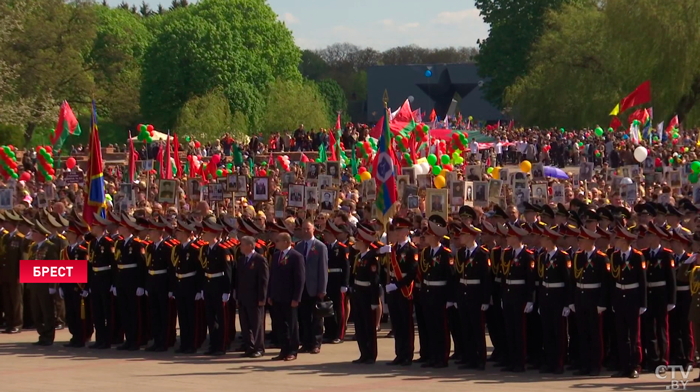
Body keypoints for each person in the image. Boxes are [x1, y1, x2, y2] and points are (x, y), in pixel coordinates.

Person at [570, 227, 609, 377]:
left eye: (582, 240)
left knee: (595, 334)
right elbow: (573, 280)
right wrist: (573, 300)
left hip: (594, 299)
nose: (579, 242)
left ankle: (595, 364)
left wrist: (602, 303)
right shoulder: (578, 257)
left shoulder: (601, 258)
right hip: (581, 297)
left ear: (590, 241)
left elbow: (605, 283)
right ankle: (584, 364)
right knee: (583, 333)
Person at [609, 226, 646, 379]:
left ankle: (635, 366)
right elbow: (612, 280)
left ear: (624, 240)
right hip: (620, 296)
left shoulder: (637, 256)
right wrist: (613, 300)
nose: (616, 241)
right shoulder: (615, 256)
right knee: (621, 335)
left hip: (633, 296)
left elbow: (642, 281)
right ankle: (624, 366)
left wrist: (643, 303)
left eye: (618, 238)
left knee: (634, 335)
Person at [418, 215, 455, 368]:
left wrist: (450, 298)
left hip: (440, 293)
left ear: (434, 235)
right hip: (428, 292)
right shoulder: (426, 253)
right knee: (430, 326)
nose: (424, 236)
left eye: (427, 234)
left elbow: (451, 277)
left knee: (441, 327)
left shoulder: (446, 253)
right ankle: (432, 356)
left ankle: (442, 357)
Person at [454, 223, 491, 370]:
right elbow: (458, 276)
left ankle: (480, 358)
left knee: (477, 328)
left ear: (470, 236)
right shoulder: (462, 253)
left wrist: (485, 299)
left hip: (476, 294)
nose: (460, 237)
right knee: (466, 328)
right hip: (464, 293)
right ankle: (469, 357)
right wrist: (457, 297)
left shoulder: (482, 254)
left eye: (463, 234)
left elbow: (486, 278)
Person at [500, 222, 536, 372]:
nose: (507, 238)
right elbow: (503, 276)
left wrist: (530, 300)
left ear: (516, 237)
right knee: (509, 329)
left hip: (520, 296)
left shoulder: (527, 256)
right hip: (508, 294)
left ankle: (520, 362)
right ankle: (512, 360)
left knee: (519, 330)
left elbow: (530, 280)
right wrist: (503, 296)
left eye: (509, 235)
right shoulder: (507, 254)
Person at [536, 225, 571, 374]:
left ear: (550, 239)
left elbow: (568, 281)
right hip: (546, 296)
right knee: (547, 331)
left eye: (543, 237)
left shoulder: (563, 257)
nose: (541, 240)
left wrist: (566, 303)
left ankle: (559, 362)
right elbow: (541, 279)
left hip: (558, 297)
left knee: (559, 332)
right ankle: (550, 361)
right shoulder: (543, 257)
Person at [641, 223, 676, 373]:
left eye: (650, 235)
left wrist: (671, 300)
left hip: (661, 294)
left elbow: (671, 279)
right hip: (649, 293)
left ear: (656, 237)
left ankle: (663, 360)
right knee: (650, 329)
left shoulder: (666, 254)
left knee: (662, 329)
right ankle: (653, 359)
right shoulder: (644, 253)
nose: (647, 238)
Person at [385, 218, 418, 366]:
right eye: (395, 230)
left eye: (399, 230)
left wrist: (397, 285)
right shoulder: (392, 248)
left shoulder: (412, 249)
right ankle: (399, 353)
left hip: (404, 289)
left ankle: (407, 354)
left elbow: (412, 272)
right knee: (396, 323)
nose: (397, 233)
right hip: (393, 288)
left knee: (406, 323)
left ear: (406, 231)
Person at [199, 215, 233, 356]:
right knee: (210, 318)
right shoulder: (206, 249)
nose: (203, 235)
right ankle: (213, 344)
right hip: (208, 285)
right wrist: (202, 288)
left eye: (205, 233)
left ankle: (221, 345)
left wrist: (227, 290)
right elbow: (203, 269)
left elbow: (228, 271)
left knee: (221, 318)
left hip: (219, 286)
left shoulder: (222, 249)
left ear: (213, 234)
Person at [268, 232, 305, 361]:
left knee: (292, 325)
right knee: (280, 324)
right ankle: (283, 349)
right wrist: (271, 294)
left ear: (286, 242)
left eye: (278, 240)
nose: (275, 243)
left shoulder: (296, 256)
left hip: (290, 297)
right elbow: (272, 277)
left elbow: (300, 279)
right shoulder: (277, 255)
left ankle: (292, 350)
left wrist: (297, 298)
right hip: (278, 296)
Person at [294, 220, 328, 354]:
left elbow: (323, 269)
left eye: (308, 229)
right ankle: (306, 342)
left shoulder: (320, 247)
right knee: (304, 317)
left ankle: (316, 343)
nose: (305, 231)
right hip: (302, 289)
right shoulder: (298, 247)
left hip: (315, 288)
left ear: (313, 229)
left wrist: (322, 289)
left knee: (317, 318)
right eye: (303, 229)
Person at [144, 217, 177, 352]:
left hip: (163, 282)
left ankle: (165, 341)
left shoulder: (167, 248)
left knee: (165, 314)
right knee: (154, 313)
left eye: (152, 232)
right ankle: (157, 340)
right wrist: (147, 285)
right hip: (152, 282)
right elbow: (148, 267)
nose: (149, 234)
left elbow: (171, 269)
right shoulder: (150, 247)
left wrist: (171, 288)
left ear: (159, 233)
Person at [351, 224, 381, 364]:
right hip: (358, 294)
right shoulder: (359, 257)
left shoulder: (371, 259)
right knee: (360, 325)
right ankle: (363, 353)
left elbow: (374, 281)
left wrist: (374, 301)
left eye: (357, 240)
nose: (355, 243)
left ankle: (371, 354)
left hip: (367, 295)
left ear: (363, 242)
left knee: (369, 326)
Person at [60, 217, 93, 347]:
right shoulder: (65, 251)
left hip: (79, 287)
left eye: (69, 233)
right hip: (68, 286)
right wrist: (61, 286)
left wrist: (86, 287)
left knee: (81, 314)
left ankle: (82, 336)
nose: (67, 235)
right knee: (71, 313)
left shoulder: (82, 251)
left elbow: (87, 270)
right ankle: (74, 335)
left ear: (75, 235)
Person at [173, 218, 202, 354]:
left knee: (192, 317)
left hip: (191, 285)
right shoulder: (178, 248)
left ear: (185, 234)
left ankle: (192, 343)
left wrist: (198, 289)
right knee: (182, 317)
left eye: (179, 232)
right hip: (180, 285)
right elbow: (175, 269)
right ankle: (184, 343)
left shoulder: (195, 249)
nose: (176, 235)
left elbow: (199, 270)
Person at [87, 213, 116, 349]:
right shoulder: (92, 243)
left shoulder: (108, 242)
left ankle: (108, 339)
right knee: (97, 310)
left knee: (106, 311)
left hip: (105, 278)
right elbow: (90, 263)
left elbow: (114, 264)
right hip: (95, 278)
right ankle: (99, 339)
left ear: (100, 227)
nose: (92, 228)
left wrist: (112, 283)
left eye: (94, 225)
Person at [0, 210, 31, 334]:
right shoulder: (6, 237)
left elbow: (23, 258)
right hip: (5, 274)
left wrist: (21, 275)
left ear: (12, 224)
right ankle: (9, 322)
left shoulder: (20, 238)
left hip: (16, 275)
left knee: (16, 300)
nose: (4, 224)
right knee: (7, 300)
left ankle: (17, 324)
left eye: (6, 222)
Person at [322, 222, 350, 344]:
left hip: (338, 279)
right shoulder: (325, 247)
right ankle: (329, 331)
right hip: (328, 280)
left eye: (327, 233)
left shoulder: (342, 248)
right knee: (327, 308)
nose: (326, 236)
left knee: (339, 309)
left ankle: (339, 333)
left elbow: (346, 267)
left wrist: (345, 284)